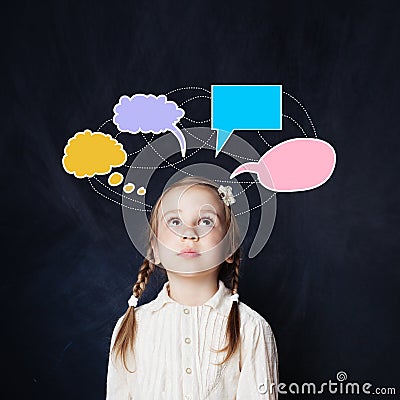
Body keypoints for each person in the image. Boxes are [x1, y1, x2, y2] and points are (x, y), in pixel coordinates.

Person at [106, 176, 279, 399]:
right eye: (174, 222)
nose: (189, 233)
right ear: (155, 250)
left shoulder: (251, 328)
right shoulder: (132, 327)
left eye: (206, 221)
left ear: (229, 247)